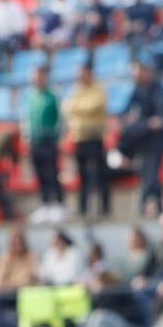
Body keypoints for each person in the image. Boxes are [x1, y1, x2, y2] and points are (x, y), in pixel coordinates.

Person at [120, 61, 163, 217]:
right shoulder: (136, 90)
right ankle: (159, 207)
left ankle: (143, 206)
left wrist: (141, 123)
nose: (135, 75)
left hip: (156, 141)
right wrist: (144, 124)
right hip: (141, 140)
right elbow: (126, 114)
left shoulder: (157, 88)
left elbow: (160, 118)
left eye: (137, 71)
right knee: (148, 175)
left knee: (150, 175)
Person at [64, 63, 109, 219]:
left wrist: (77, 108)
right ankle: (83, 208)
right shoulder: (75, 90)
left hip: (95, 137)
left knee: (100, 174)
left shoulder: (98, 89)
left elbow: (92, 106)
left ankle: (104, 208)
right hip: (79, 138)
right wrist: (79, 107)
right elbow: (66, 107)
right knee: (82, 176)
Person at [24, 64, 65, 223]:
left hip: (49, 140)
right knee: (40, 173)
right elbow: (28, 118)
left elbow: (60, 119)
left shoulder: (52, 95)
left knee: (51, 173)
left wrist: (56, 137)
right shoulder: (30, 96)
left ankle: (58, 205)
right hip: (35, 140)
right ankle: (45, 204)